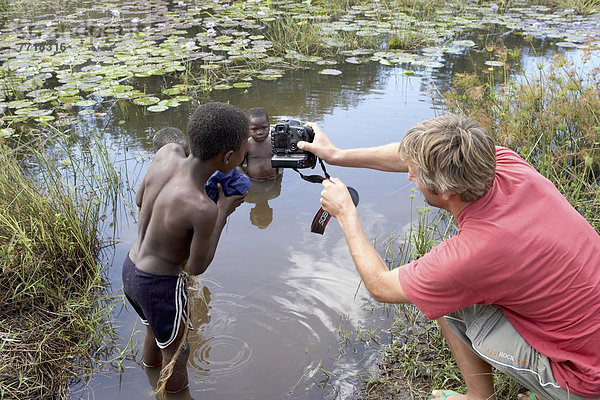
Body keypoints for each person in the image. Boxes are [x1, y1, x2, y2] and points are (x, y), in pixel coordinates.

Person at [298, 115, 600, 400]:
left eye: (415, 174)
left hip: (586, 379)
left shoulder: (474, 252)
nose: (409, 174)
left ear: (445, 192)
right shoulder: (504, 164)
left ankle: (496, 395)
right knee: (448, 290)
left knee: (449, 302)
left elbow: (381, 287)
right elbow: (412, 156)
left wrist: (346, 214)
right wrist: (337, 154)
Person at [122, 102, 249, 394]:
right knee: (178, 353)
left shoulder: (166, 154)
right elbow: (196, 266)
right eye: (242, 153)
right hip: (160, 285)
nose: (243, 159)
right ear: (229, 158)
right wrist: (223, 211)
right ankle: (177, 394)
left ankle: (150, 380)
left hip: (131, 269)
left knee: (154, 332)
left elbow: (141, 199)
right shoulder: (202, 208)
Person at [240, 107, 282, 180]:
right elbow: (238, 166)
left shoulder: (274, 142)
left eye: (264, 128)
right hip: (253, 180)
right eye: (254, 129)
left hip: (274, 179)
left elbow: (281, 161)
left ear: (269, 126)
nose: (260, 132)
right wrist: (247, 179)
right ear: (247, 128)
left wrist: (279, 174)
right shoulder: (247, 145)